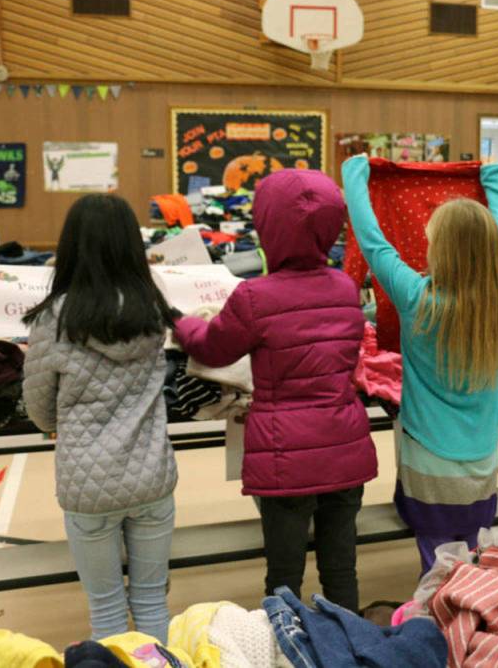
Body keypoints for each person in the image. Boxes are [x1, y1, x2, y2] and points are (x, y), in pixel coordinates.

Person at [174, 169, 376, 612]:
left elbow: (213, 349)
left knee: (284, 578)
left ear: (269, 226)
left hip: (286, 458)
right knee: (341, 569)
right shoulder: (345, 287)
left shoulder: (254, 297)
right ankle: (347, 652)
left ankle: (287, 652)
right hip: (344, 447)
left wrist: (183, 321)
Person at [341, 155, 498, 574]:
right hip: (482, 468)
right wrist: (494, 177)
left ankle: (435, 627)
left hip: (427, 470)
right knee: (473, 564)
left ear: (441, 250)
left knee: (434, 567)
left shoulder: (417, 299)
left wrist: (355, 173)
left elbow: (373, 242)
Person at [22, 194, 178, 642]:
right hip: (151, 476)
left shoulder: (54, 317)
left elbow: (39, 408)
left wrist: (60, 420)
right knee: (151, 600)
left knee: (106, 608)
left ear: (71, 246)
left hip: (86, 483)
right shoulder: (151, 309)